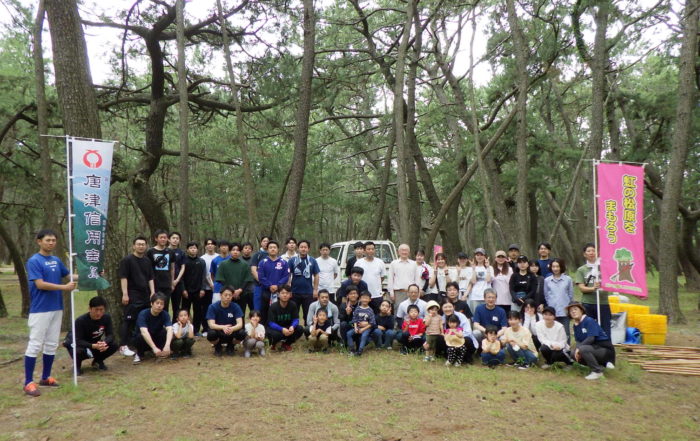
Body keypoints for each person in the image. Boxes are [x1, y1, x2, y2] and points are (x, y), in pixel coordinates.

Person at [118, 236, 155, 359]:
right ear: (134, 246)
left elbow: (150, 278)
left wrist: (152, 292)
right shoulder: (127, 260)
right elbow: (123, 277)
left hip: (145, 295)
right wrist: (125, 294)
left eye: (143, 244)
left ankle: (143, 345)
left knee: (144, 320)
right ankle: (123, 346)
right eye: (138, 244)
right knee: (128, 320)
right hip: (132, 295)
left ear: (146, 246)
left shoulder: (147, 261)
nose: (141, 246)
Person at [62, 296, 117, 376]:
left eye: (101, 310)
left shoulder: (106, 318)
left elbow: (110, 335)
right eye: (96, 310)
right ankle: (77, 366)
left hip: (95, 343)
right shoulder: (80, 321)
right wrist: (93, 346)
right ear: (90, 309)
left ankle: (97, 361)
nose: (98, 313)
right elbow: (78, 340)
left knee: (113, 345)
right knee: (77, 351)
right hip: (80, 345)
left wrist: (104, 343)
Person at [574, 243, 613, 346]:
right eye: (589, 251)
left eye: (593, 250)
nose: (591, 253)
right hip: (588, 303)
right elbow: (581, 288)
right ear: (584, 254)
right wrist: (593, 288)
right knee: (588, 327)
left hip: (603, 302)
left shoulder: (605, 268)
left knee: (605, 328)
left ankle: (606, 349)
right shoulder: (581, 270)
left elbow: (612, 282)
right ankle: (588, 348)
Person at [567, 302, 615, 380]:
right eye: (571, 311)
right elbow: (578, 341)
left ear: (581, 310)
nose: (573, 312)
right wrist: (577, 350)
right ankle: (597, 366)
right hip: (592, 348)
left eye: (575, 309)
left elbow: (591, 338)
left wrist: (579, 349)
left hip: (604, 350)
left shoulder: (589, 320)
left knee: (582, 349)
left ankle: (597, 371)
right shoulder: (575, 325)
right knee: (572, 353)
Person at [214, 243, 250, 322]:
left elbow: (247, 279)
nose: (235, 252)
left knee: (241, 314)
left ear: (240, 252)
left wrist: (240, 290)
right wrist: (231, 291)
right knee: (227, 314)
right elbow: (220, 279)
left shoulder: (245, 264)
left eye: (237, 250)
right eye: (233, 250)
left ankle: (240, 328)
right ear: (230, 251)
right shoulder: (223, 264)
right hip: (227, 294)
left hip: (241, 294)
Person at [206, 286, 246, 356]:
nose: (228, 297)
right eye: (225, 295)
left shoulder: (236, 306)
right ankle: (217, 346)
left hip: (231, 332)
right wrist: (223, 327)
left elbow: (240, 324)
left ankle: (231, 346)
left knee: (242, 333)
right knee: (211, 334)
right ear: (220, 295)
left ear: (232, 296)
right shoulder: (212, 307)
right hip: (218, 331)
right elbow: (211, 325)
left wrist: (232, 328)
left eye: (230, 295)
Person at [134, 293, 173, 364]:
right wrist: (154, 347)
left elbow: (170, 329)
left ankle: (161, 352)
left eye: (161, 304)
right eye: (157, 303)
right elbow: (144, 332)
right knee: (140, 336)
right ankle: (139, 354)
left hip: (156, 337)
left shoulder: (165, 314)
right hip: (144, 339)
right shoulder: (143, 314)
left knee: (164, 332)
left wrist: (167, 345)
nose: (159, 306)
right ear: (151, 304)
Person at [257, 240, 289, 324]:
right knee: (264, 312)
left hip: (279, 292)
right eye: (270, 247)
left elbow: (286, 276)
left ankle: (278, 328)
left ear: (278, 249)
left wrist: (277, 286)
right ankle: (264, 328)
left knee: (278, 312)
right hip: (266, 291)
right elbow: (261, 277)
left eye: (274, 247)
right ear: (267, 250)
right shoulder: (262, 262)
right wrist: (269, 286)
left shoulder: (284, 262)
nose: (273, 249)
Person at [288, 240, 320, 322]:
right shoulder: (292, 260)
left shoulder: (312, 260)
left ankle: (308, 328)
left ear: (308, 249)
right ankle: (294, 328)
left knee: (308, 314)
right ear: (298, 248)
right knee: (294, 313)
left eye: (305, 247)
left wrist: (315, 290)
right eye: (301, 247)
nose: (303, 249)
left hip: (308, 292)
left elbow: (316, 275)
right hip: (294, 292)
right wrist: (289, 290)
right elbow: (288, 275)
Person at [266, 285, 304, 351]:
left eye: (287, 293)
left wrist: (292, 326)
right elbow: (271, 323)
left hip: (288, 328)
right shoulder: (273, 306)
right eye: (283, 293)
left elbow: (296, 319)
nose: (285, 295)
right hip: (277, 329)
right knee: (274, 334)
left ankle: (286, 344)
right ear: (278, 294)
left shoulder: (293, 305)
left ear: (290, 295)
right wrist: (281, 329)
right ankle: (274, 344)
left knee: (300, 329)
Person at [543, 258, 574, 339]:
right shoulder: (547, 280)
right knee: (553, 333)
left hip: (564, 311)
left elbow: (570, 295)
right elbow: (546, 295)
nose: (555, 269)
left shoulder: (568, 279)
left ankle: (566, 347)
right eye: (553, 267)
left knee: (565, 333)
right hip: (552, 311)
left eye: (557, 266)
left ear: (561, 267)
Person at [181, 242, 207, 335]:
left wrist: (203, 289)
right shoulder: (184, 261)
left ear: (197, 250)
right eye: (191, 248)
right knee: (185, 311)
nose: (193, 249)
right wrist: (183, 289)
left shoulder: (201, 261)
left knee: (198, 311)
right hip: (186, 291)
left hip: (198, 291)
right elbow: (181, 277)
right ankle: (185, 329)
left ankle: (196, 330)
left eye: (195, 248)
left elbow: (204, 276)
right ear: (187, 250)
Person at [146, 230, 175, 311]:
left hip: (166, 284)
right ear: (156, 239)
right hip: (154, 283)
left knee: (165, 306)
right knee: (154, 306)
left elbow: (172, 268)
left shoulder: (170, 252)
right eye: (161, 237)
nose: (163, 239)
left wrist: (172, 283)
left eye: (165, 237)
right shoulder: (150, 252)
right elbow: (148, 269)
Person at [354, 241, 387, 311]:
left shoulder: (380, 262)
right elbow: (355, 278)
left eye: (372, 249)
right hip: (363, 295)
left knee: (377, 314)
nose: (371, 251)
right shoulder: (359, 263)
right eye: (368, 249)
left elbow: (382, 277)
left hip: (377, 295)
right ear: (364, 251)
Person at [347, 291, 380, 356]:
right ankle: (352, 349)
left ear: (370, 299)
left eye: (366, 298)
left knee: (364, 336)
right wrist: (355, 328)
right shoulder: (357, 309)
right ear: (360, 299)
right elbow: (355, 319)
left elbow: (372, 323)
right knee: (349, 333)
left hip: (366, 328)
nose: (365, 300)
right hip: (357, 327)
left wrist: (363, 329)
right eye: (363, 298)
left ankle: (360, 350)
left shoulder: (370, 310)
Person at [199, 238, 218, 335]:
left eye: (212, 244)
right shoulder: (202, 258)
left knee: (217, 308)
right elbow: (204, 274)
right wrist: (210, 284)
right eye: (208, 244)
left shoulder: (218, 257)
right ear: (205, 246)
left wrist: (215, 285)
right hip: (206, 288)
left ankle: (217, 327)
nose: (210, 245)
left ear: (215, 246)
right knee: (205, 309)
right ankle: (206, 328)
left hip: (218, 288)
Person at [466, 248, 493, 313]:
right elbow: (473, 281)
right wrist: (474, 269)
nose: (479, 257)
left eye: (481, 255)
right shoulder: (471, 268)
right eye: (477, 255)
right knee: (476, 315)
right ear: (475, 256)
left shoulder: (490, 267)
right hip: (475, 297)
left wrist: (487, 267)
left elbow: (488, 280)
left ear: (484, 256)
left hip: (487, 297)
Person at [168, 232, 187, 318]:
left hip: (178, 282)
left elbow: (183, 267)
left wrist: (176, 280)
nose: (175, 240)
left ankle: (175, 324)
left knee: (176, 307)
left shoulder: (181, 253)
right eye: (173, 238)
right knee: (164, 305)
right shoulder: (165, 251)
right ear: (169, 239)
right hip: (166, 282)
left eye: (177, 238)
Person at [249, 236, 270, 311]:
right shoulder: (257, 255)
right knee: (258, 307)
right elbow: (253, 270)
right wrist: (262, 281)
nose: (266, 243)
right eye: (264, 241)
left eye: (267, 241)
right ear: (261, 243)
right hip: (259, 285)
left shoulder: (273, 255)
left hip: (271, 286)